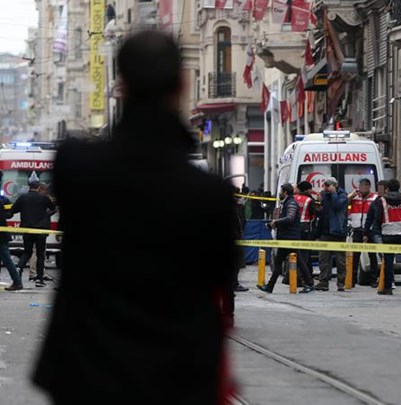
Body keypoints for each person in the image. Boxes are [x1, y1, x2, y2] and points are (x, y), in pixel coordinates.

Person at [34, 31, 240, 405]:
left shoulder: (76, 168)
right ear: (182, 83)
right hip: (177, 381)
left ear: (121, 86)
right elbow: (220, 276)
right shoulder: (211, 195)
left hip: (88, 378)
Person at [364, 179, 401, 295]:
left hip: (387, 235)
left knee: (388, 262)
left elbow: (377, 217)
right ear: (398, 188)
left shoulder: (381, 200)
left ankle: (388, 288)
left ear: (387, 188)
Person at [259, 183, 314, 294]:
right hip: (286, 237)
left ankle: (309, 283)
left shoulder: (291, 203)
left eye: (281, 191)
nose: (279, 193)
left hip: (290, 238)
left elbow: (290, 218)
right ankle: (270, 286)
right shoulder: (287, 203)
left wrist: (275, 222)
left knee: (298, 261)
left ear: (285, 192)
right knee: (279, 263)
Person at [11, 180, 56, 287]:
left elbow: (13, 210)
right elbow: (52, 208)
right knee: (40, 255)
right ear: (39, 188)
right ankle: (39, 279)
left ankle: (18, 268)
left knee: (27, 252)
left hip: (26, 230)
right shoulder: (44, 198)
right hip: (41, 230)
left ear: (28, 187)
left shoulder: (23, 197)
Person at [314, 177, 348, 292]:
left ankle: (341, 282)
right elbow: (321, 211)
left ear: (335, 185)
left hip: (338, 232)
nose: (326, 188)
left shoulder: (342, 195)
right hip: (325, 231)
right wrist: (318, 207)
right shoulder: (324, 195)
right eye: (325, 185)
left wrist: (333, 193)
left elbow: (337, 206)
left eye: (328, 185)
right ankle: (323, 281)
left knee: (340, 260)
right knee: (323, 258)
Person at [347, 178, 379, 286]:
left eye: (364, 186)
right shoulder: (355, 197)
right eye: (360, 186)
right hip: (357, 229)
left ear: (369, 186)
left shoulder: (375, 198)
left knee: (372, 256)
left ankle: (373, 280)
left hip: (370, 230)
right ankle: (352, 280)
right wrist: (351, 195)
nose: (362, 188)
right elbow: (344, 203)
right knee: (355, 256)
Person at [0, 171, 22, 291]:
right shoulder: (3, 199)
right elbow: (9, 214)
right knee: (7, 259)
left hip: (1, 235)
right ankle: (17, 281)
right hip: (2, 234)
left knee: (7, 259)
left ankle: (17, 282)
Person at [294, 181, 317, 275]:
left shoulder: (293, 198)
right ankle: (305, 276)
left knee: (295, 253)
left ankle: (294, 276)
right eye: (310, 189)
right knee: (305, 254)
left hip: (294, 228)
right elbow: (316, 212)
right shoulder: (309, 200)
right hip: (305, 227)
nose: (311, 191)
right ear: (307, 190)